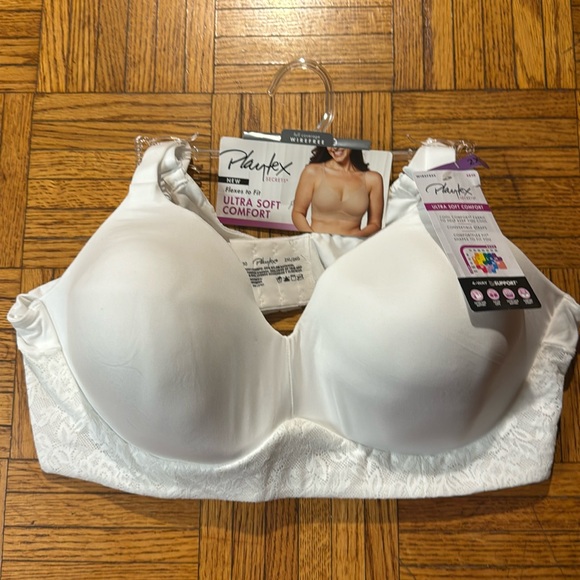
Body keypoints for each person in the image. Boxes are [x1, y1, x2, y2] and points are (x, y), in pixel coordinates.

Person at [292, 146, 384, 237]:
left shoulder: (372, 179)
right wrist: (312, 238)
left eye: (340, 142)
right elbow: (298, 213)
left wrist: (352, 241)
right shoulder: (313, 172)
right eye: (330, 143)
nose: (335, 148)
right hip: (317, 243)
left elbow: (375, 224)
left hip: (353, 245)